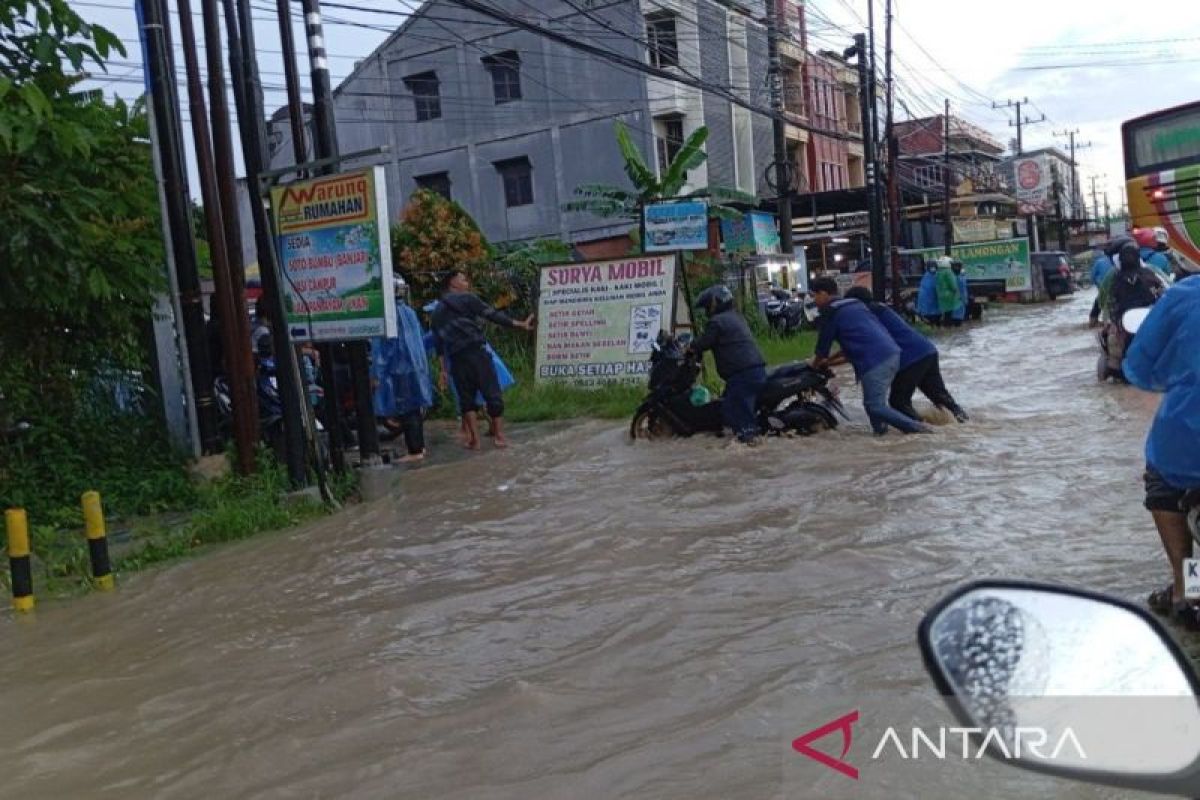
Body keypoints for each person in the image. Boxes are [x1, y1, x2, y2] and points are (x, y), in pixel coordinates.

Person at [1124, 276, 1200, 629]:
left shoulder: (1186, 293)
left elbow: (1139, 368)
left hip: (1185, 438)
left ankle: (1187, 587)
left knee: (1162, 484)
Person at [809, 277, 932, 435]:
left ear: (824, 293)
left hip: (876, 362)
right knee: (874, 404)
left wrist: (812, 365)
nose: (814, 300)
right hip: (892, 354)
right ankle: (881, 435)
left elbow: (822, 350)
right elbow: (851, 350)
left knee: (874, 406)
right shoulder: (854, 305)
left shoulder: (830, 311)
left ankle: (920, 429)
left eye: (815, 295)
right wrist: (828, 362)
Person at [430, 269, 534, 450]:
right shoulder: (468, 298)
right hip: (477, 353)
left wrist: (443, 370)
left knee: (466, 400)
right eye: (463, 279)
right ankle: (499, 437)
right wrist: (519, 324)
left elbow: (439, 343)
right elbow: (492, 315)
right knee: (492, 393)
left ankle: (475, 441)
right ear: (453, 283)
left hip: (456, 359)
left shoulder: (437, 311)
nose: (467, 283)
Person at [845, 286, 968, 423]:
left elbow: (868, 345)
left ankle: (920, 427)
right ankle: (964, 422)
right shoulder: (880, 308)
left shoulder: (867, 314)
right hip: (927, 350)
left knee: (898, 402)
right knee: (940, 396)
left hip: (909, 358)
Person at [687, 284, 767, 446]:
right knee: (725, 408)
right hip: (754, 371)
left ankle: (750, 443)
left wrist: (688, 347)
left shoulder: (717, 322)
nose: (707, 310)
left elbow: (703, 342)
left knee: (734, 411)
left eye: (707, 306)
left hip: (742, 375)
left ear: (715, 303)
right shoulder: (736, 317)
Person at [371, 278, 433, 462]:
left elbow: (383, 350)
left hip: (399, 369)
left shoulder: (388, 315)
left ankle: (415, 451)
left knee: (407, 409)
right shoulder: (408, 311)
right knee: (414, 408)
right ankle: (419, 447)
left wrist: (376, 374)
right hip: (416, 367)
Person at [1099, 241, 1166, 380]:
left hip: (1127, 320)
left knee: (1112, 341)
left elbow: (1108, 302)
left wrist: (1111, 319)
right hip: (1144, 319)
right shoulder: (1149, 273)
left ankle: (1115, 365)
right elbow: (1163, 294)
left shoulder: (1115, 278)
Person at [1088, 244, 1116, 327]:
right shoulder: (1118, 261)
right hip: (1118, 290)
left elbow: (1092, 277)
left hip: (1103, 290)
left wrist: (1098, 284)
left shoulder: (1099, 262)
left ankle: (1093, 321)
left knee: (1098, 303)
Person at [935, 256, 964, 326]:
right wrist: (958, 294)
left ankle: (946, 327)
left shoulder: (938, 272)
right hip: (949, 296)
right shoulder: (948, 272)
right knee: (949, 313)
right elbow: (953, 285)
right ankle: (948, 327)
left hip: (941, 295)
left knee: (946, 313)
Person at [951, 259, 970, 326]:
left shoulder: (961, 277)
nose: (957, 268)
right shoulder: (956, 277)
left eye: (958, 266)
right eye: (955, 266)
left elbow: (963, 290)